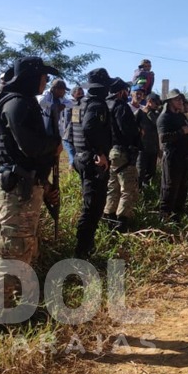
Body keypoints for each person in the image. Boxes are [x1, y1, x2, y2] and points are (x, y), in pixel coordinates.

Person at [0, 56, 61, 324]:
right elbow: (30, 146)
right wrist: (54, 144)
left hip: (26, 186)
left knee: (25, 249)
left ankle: (17, 311)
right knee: (12, 251)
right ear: (31, 77)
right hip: (16, 188)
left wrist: (46, 182)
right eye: (43, 76)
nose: (46, 81)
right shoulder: (17, 103)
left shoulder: (24, 102)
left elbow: (28, 155)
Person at [73, 68, 113, 259]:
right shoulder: (97, 105)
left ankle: (85, 247)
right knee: (93, 207)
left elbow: (72, 130)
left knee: (90, 205)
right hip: (93, 160)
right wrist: (99, 152)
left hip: (80, 157)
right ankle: (83, 251)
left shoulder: (78, 104)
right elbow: (89, 127)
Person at [103, 78, 141, 231]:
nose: (128, 93)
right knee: (128, 189)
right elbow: (128, 131)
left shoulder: (106, 106)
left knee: (113, 187)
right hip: (123, 152)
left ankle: (108, 220)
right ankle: (121, 225)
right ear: (121, 92)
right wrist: (138, 134)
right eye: (126, 91)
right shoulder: (122, 107)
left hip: (111, 152)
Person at [158, 89, 188, 221]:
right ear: (170, 102)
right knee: (169, 187)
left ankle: (177, 217)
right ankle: (164, 216)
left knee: (183, 187)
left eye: (181, 100)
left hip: (184, 157)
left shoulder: (181, 117)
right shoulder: (164, 118)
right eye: (177, 99)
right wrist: (181, 132)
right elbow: (163, 138)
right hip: (172, 157)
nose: (180, 102)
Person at [136, 92, 161, 189]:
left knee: (151, 172)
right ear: (149, 101)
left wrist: (158, 149)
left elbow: (158, 126)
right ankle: (137, 195)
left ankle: (146, 194)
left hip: (153, 148)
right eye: (156, 103)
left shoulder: (156, 114)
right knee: (140, 172)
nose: (158, 106)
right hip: (142, 148)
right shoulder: (139, 113)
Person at [61, 86, 84, 168]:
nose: (81, 95)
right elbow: (71, 121)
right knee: (73, 159)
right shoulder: (72, 105)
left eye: (82, 93)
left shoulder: (81, 105)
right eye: (79, 93)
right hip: (69, 137)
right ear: (73, 94)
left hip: (75, 137)